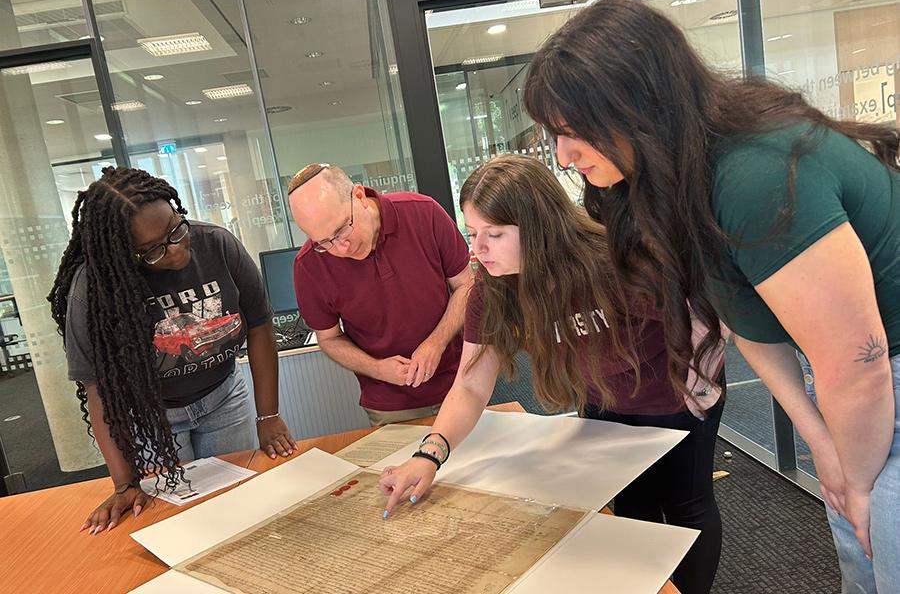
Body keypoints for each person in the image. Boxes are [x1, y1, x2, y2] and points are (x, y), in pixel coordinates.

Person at [521, 0, 900, 592]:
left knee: (878, 550)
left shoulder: (754, 174)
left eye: (572, 133)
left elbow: (860, 366)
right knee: (864, 564)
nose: (563, 157)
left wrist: (857, 481)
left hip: (878, 382)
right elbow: (750, 326)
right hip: (852, 391)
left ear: (637, 108)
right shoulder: (680, 178)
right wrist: (823, 446)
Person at [378, 155, 727, 594]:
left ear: (537, 227)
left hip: (675, 393)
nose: (478, 249)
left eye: (494, 234)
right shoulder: (493, 291)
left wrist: (700, 386)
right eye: (472, 233)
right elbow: (469, 384)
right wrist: (429, 454)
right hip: (604, 398)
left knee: (684, 503)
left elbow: (706, 317)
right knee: (632, 504)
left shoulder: (611, 262)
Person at [48, 167, 296, 535]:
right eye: (153, 251)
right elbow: (97, 389)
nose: (176, 250)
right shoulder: (94, 289)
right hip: (152, 421)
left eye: (176, 229)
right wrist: (124, 484)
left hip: (224, 399)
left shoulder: (217, 243)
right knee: (177, 524)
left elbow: (259, 324)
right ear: (124, 254)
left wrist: (269, 416)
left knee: (241, 508)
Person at [288, 163, 473, 426]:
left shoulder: (423, 213)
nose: (341, 248)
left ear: (360, 196)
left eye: (342, 230)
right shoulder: (309, 266)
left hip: (459, 383)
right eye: (324, 242)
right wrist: (376, 368)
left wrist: (436, 343)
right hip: (388, 403)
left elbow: (466, 285)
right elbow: (329, 338)